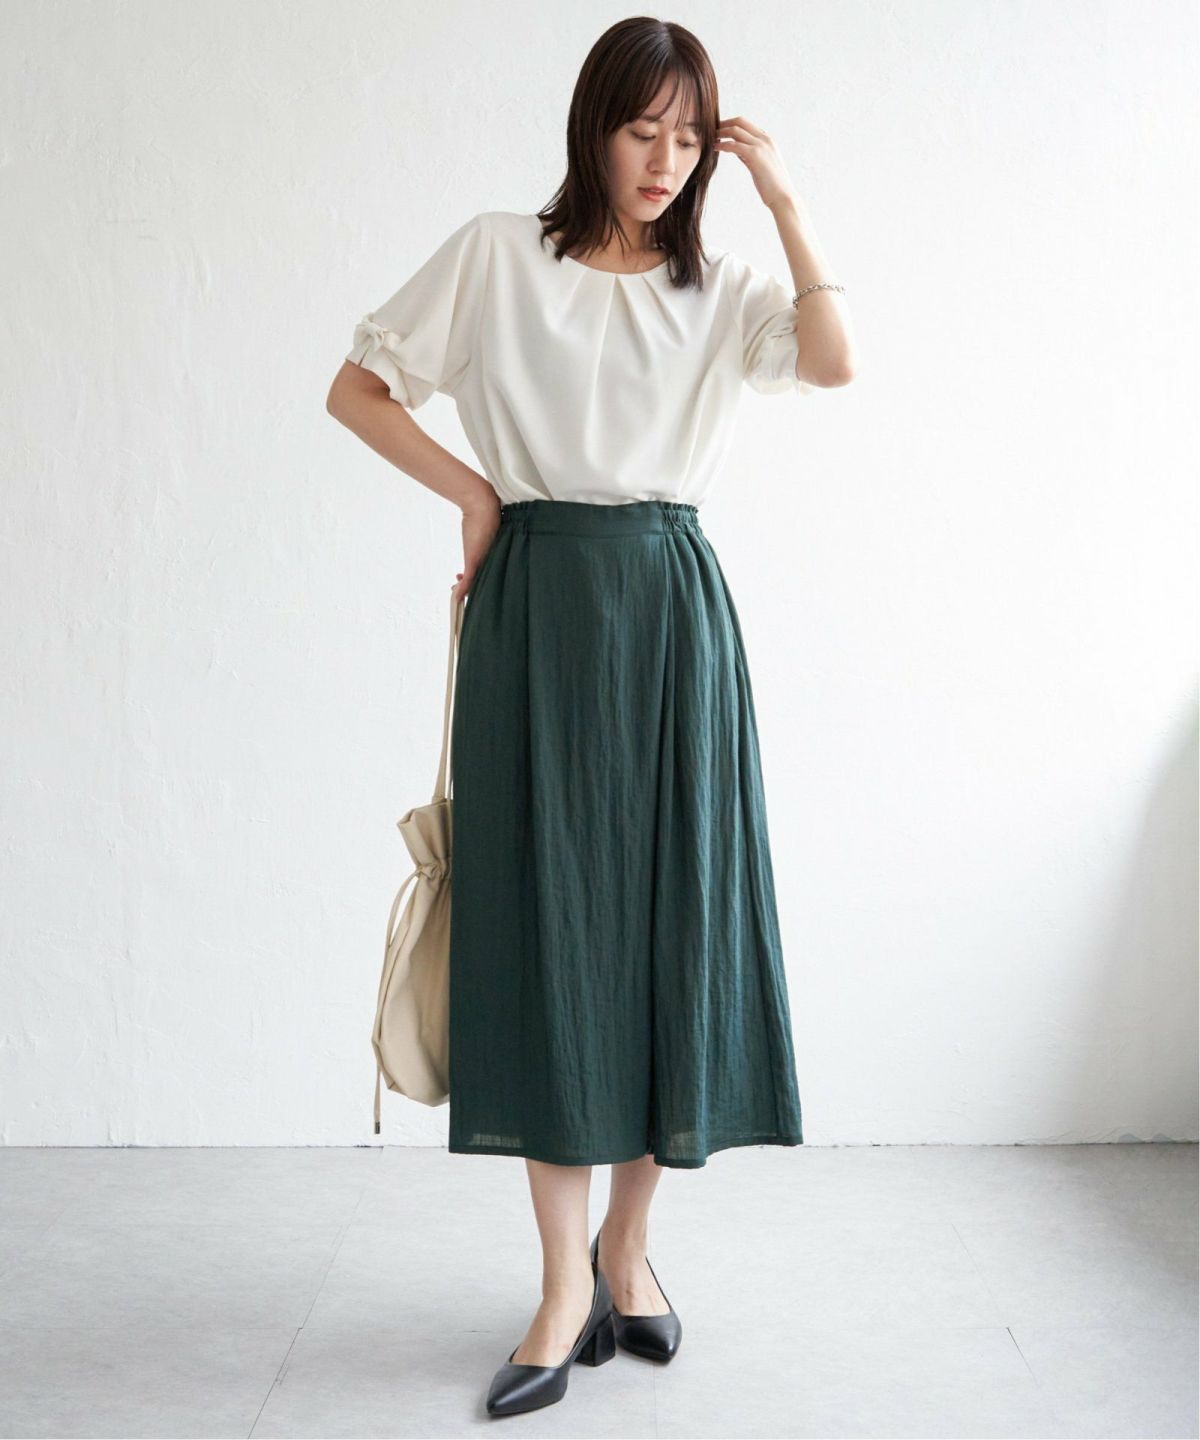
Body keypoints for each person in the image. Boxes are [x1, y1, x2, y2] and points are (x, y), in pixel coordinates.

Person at [327, 16, 857, 1419]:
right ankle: (562, 1283)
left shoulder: (719, 287)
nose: (665, 162)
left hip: (672, 612)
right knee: (549, 934)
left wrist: (785, 201)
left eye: (689, 139)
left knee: (666, 927)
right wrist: (474, 490)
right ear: (594, 127)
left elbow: (834, 360)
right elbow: (357, 388)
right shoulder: (501, 257)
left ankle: (630, 1252)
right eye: (642, 131)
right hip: (538, 609)